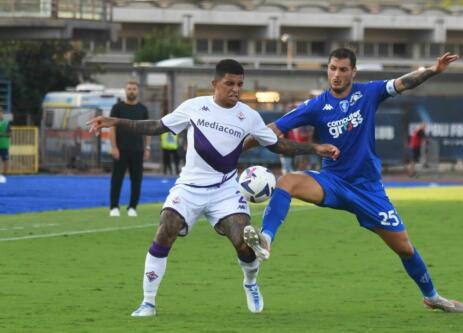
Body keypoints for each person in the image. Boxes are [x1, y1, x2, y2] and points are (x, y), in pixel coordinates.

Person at [88, 59, 340, 316]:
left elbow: (277, 145)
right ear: (215, 84)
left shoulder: (249, 116)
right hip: (188, 187)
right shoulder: (194, 107)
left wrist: (314, 148)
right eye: (229, 83)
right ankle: (148, 302)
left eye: (240, 84)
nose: (235, 89)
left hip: (225, 190)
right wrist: (116, 121)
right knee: (166, 229)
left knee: (243, 243)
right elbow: (157, 126)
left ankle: (250, 282)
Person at [243, 48, 463, 313]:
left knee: (405, 248)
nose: (336, 75)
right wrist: (234, 149)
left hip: (368, 190)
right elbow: (272, 132)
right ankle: (266, 239)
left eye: (343, 69)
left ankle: (432, 297)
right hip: (332, 182)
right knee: (287, 181)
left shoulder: (369, 92)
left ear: (353, 72)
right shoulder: (317, 105)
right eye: (332, 68)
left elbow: (402, 83)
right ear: (327, 69)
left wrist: (433, 70)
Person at [109, 79, 151, 217]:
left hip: (137, 150)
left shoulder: (142, 109)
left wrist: (147, 147)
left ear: (137, 91)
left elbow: (147, 130)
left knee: (137, 179)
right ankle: (114, 207)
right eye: (129, 89)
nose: (131, 91)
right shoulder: (117, 108)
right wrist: (114, 147)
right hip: (120, 149)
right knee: (117, 179)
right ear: (125, 90)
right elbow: (112, 128)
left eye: (133, 89)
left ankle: (132, 207)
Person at [0, 106, 11, 183]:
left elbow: (9, 134)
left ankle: (4, 175)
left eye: (0, 111)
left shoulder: (6, 122)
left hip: (3, 145)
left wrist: (1, 133)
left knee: (5, 160)